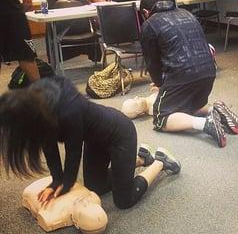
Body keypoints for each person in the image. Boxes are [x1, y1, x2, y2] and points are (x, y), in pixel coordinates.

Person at [0, 76, 181, 209]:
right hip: (96, 139)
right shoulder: (37, 103)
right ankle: (141, 158)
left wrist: (66, 183)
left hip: (120, 134)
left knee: (124, 200)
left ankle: (160, 162)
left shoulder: (67, 111)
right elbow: (48, 143)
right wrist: (56, 181)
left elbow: (73, 152)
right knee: (96, 188)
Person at [139, 0, 238, 148]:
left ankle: (205, 123)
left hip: (183, 75)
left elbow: (152, 63)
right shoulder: (186, 13)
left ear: (146, 12)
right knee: (185, 106)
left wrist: (161, 84)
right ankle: (215, 110)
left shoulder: (150, 24)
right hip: (209, 71)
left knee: (161, 118)